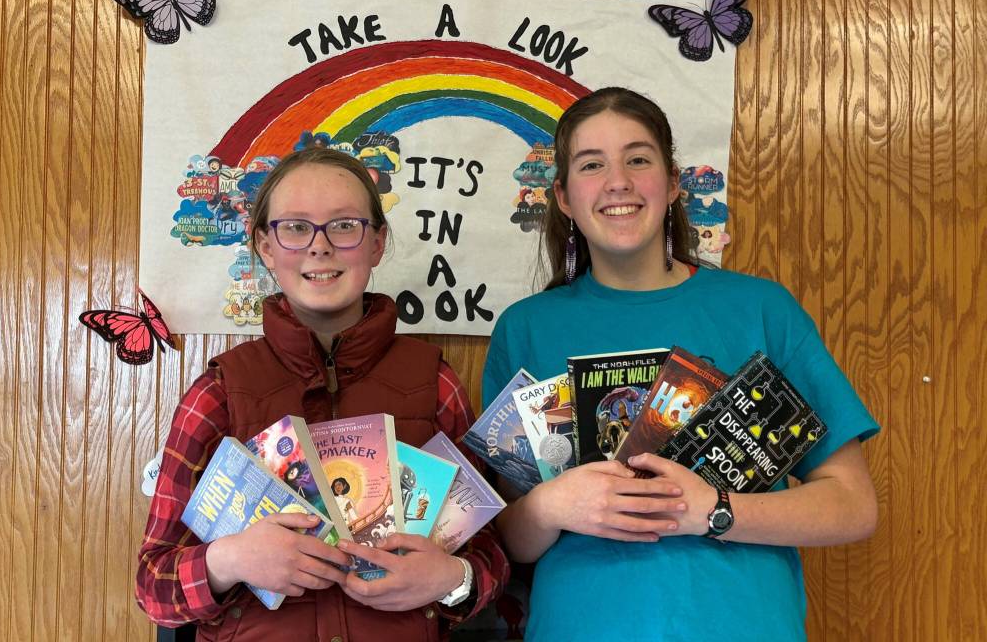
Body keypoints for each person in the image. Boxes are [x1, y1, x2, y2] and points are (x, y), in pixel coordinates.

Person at [483, 87, 879, 642]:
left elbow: (853, 505)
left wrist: (714, 511)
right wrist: (548, 505)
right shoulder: (526, 328)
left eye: (637, 159)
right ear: (565, 198)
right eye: (592, 164)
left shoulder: (760, 310)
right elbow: (511, 538)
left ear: (672, 184)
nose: (617, 181)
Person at [137, 147, 509, 641]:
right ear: (265, 247)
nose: (319, 247)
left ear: (377, 244)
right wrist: (230, 560)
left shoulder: (434, 383)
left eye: (344, 225)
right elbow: (153, 587)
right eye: (295, 227)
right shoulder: (219, 392)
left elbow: (491, 556)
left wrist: (450, 579)